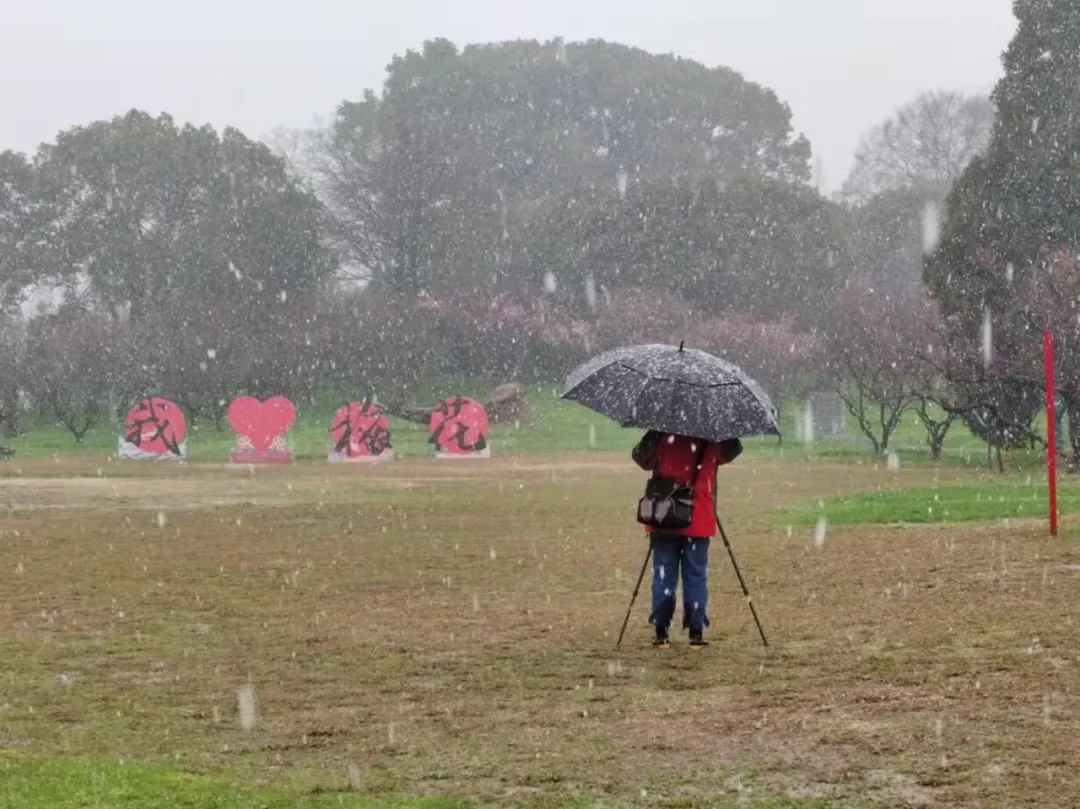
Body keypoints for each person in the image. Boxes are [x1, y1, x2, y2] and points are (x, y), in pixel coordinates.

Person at [631, 430, 743, 648]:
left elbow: (640, 457)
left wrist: (654, 432)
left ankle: (661, 630)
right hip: (699, 515)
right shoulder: (714, 435)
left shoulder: (662, 432)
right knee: (696, 574)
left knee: (663, 573)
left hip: (665, 513)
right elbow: (733, 451)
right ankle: (696, 631)